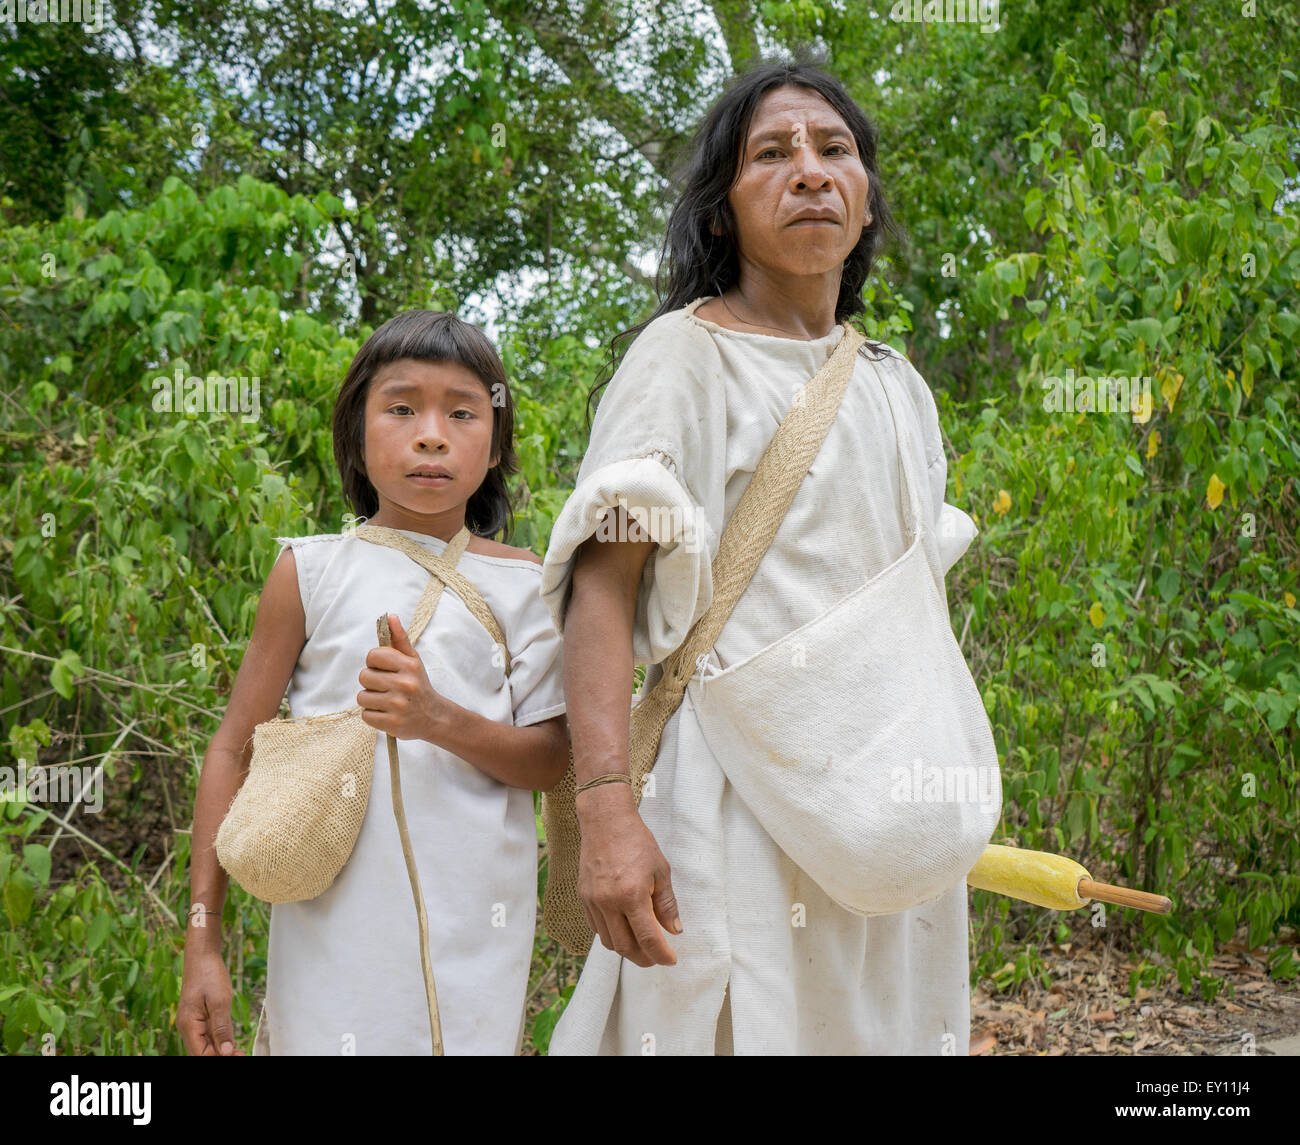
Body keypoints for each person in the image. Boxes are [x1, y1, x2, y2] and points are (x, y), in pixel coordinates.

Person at [538, 62, 982, 1055]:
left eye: (835, 151)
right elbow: (601, 594)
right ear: (719, 215)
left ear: (864, 201)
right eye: (771, 154)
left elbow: (909, 628)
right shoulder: (683, 355)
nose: (811, 172)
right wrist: (607, 812)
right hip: (726, 801)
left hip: (881, 815)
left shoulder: (897, 385)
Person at [179, 310, 570, 1055]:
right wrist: (203, 944)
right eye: (400, 407)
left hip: (480, 932)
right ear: (357, 432)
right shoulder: (310, 571)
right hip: (331, 933)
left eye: (463, 411)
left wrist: (437, 719)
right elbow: (231, 750)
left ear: (494, 444)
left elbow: (553, 758)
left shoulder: (526, 586)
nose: (431, 433)